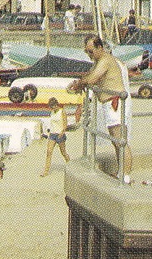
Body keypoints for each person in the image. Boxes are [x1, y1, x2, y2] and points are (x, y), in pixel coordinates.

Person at [67, 36, 134, 184]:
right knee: (115, 141)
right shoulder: (98, 62)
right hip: (109, 104)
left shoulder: (105, 60)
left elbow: (92, 78)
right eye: (87, 52)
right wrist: (78, 83)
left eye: (91, 51)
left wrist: (79, 83)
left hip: (116, 104)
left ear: (100, 48)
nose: (89, 55)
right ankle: (121, 172)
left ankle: (126, 175)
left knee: (120, 140)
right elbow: (90, 77)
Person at [41, 99, 70, 176]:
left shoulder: (62, 111)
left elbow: (65, 124)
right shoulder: (52, 112)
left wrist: (62, 132)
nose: (52, 108)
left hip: (60, 134)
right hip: (52, 134)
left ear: (56, 105)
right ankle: (46, 171)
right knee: (49, 152)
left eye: (52, 107)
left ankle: (70, 164)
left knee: (63, 152)